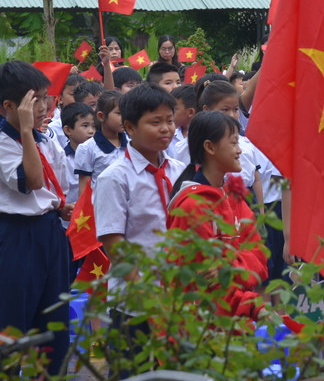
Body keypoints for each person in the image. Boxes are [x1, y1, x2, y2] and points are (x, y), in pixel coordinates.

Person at [0, 61, 72, 376]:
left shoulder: (45, 140)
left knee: (54, 319)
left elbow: (49, 189)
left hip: (48, 232)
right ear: (8, 106)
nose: (44, 107)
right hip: (16, 235)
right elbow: (31, 180)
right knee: (11, 321)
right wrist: (28, 130)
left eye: (47, 98)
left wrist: (58, 205)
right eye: (36, 101)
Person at [93, 84, 185, 340]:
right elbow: (113, 241)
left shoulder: (179, 171)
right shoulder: (115, 177)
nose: (166, 128)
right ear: (130, 127)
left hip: (178, 295)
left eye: (169, 120)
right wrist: (147, 292)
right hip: (136, 301)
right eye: (155, 122)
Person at [169, 111, 268, 319]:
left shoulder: (233, 198)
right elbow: (206, 282)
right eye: (233, 143)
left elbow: (260, 259)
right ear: (210, 147)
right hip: (200, 328)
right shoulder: (192, 207)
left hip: (234, 322)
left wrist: (228, 267)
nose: (239, 151)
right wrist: (252, 307)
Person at [196, 80, 264, 206]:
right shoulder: (199, 144)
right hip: (217, 201)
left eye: (236, 109)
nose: (232, 115)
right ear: (206, 110)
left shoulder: (245, 141)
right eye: (225, 109)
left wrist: (261, 212)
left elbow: (256, 178)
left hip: (247, 200)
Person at [74, 90, 126, 188]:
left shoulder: (132, 144)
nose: (125, 117)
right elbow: (84, 187)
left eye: (126, 112)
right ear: (101, 116)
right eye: (119, 113)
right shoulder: (87, 148)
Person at [170, 84, 197, 164]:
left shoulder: (201, 136)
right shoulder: (169, 135)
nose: (169, 113)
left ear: (190, 112)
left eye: (174, 109)